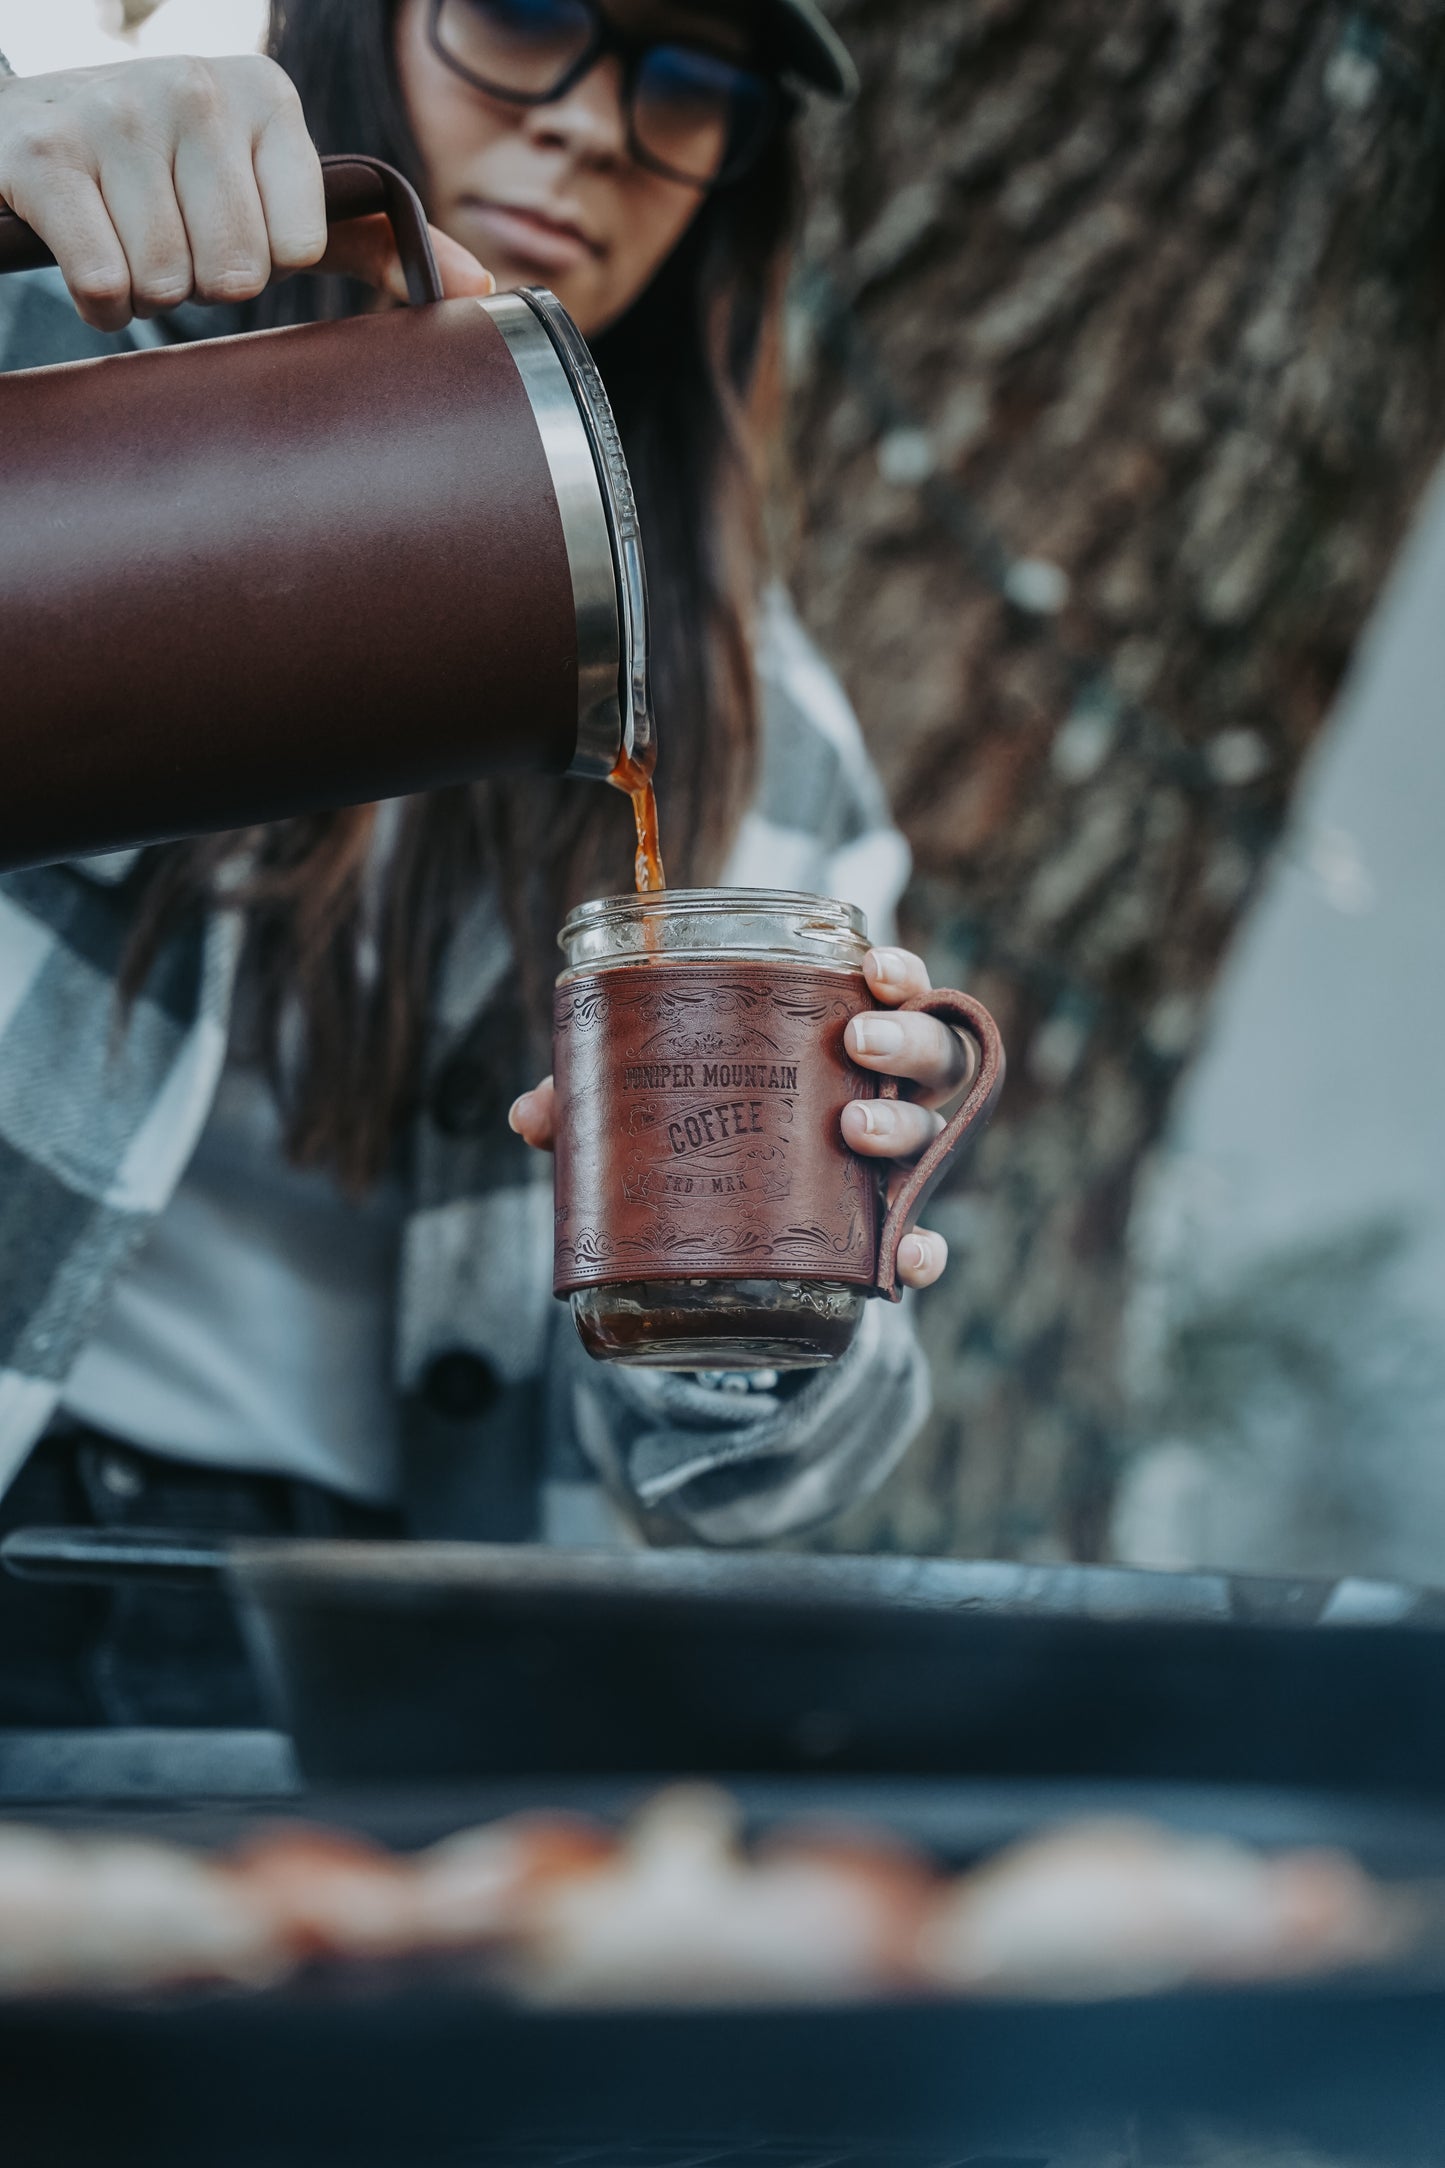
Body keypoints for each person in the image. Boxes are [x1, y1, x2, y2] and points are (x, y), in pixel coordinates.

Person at [0, 0, 977, 1728]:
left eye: (693, 80)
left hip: (383, 1645)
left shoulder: (764, 731)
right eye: (527, 16)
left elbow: (760, 1493)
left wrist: (789, 1279)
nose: (594, 124)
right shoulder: (50, 367)